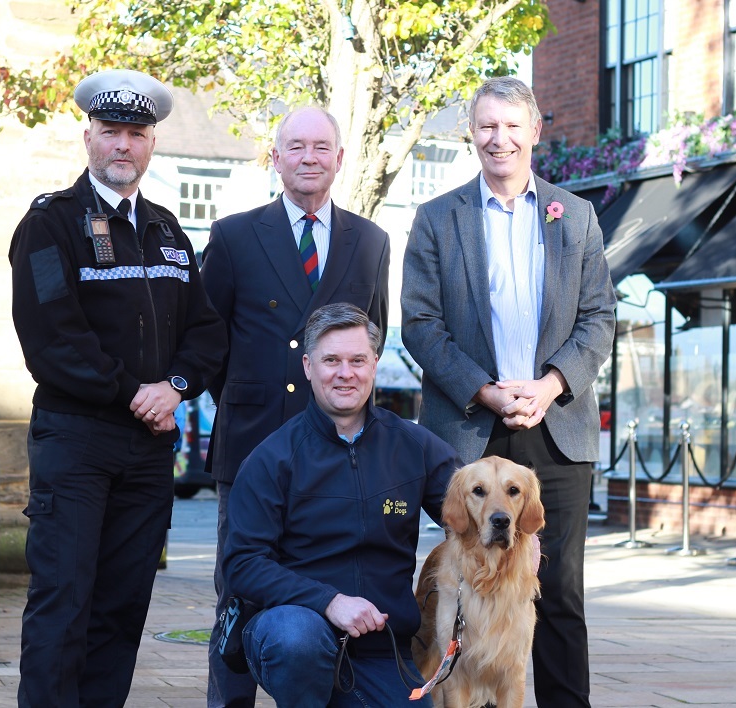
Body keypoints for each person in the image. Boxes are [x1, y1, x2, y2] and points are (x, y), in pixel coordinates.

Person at [9, 69, 227, 707]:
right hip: (77, 441)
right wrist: (137, 393)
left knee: (123, 605)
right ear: (88, 138)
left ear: (152, 145)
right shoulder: (50, 225)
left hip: (149, 452)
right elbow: (52, 337)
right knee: (64, 601)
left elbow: (207, 331)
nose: (123, 146)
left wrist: (177, 386)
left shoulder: (167, 230)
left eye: (136, 133)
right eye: (111, 132)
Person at [400, 76, 616, 708]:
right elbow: (420, 321)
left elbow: (600, 317)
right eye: (487, 126)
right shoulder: (437, 218)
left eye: (512, 126)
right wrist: (487, 391)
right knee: (459, 587)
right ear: (472, 133)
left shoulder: (575, 217)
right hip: (470, 427)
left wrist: (549, 386)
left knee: (559, 595)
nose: (500, 139)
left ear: (535, 132)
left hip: (557, 427)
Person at [200, 106, 391, 706]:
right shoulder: (233, 235)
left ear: (339, 158)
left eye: (321, 147)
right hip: (253, 440)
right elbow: (209, 340)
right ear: (275, 158)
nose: (309, 158)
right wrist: (244, 400)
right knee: (239, 589)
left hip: (336, 451)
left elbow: (371, 337)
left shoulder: (372, 241)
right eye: (296, 147)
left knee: (326, 582)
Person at [223, 303, 461, 707]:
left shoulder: (414, 446)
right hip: (292, 632)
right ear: (307, 366)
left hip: (383, 648)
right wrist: (328, 602)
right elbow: (242, 564)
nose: (345, 373)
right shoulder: (272, 458)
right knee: (298, 637)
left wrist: (525, 539)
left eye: (357, 360)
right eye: (331, 360)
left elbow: (473, 504)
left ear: (374, 364)